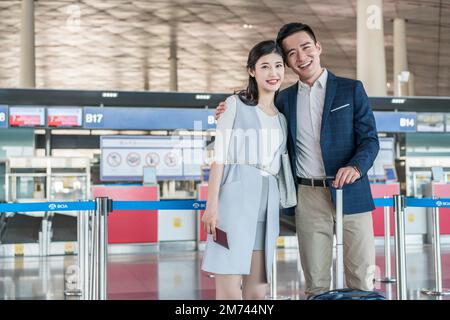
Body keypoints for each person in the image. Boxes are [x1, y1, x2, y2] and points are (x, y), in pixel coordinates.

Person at [215, 22, 380, 298]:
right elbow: (258, 109)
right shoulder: (284, 100)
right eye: (291, 53)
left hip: (352, 191)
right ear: (288, 62)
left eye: (305, 48)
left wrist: (356, 166)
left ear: (318, 47)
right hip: (308, 195)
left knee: (361, 275)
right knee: (315, 280)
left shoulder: (351, 90)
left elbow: (370, 139)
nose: (301, 57)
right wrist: (230, 106)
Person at [201, 40, 289, 300]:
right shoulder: (234, 105)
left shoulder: (281, 117)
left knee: (258, 290)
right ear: (252, 71)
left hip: (268, 202)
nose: (273, 73)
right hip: (234, 199)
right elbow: (219, 157)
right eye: (265, 66)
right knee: (229, 289)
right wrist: (212, 205)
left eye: (278, 66)